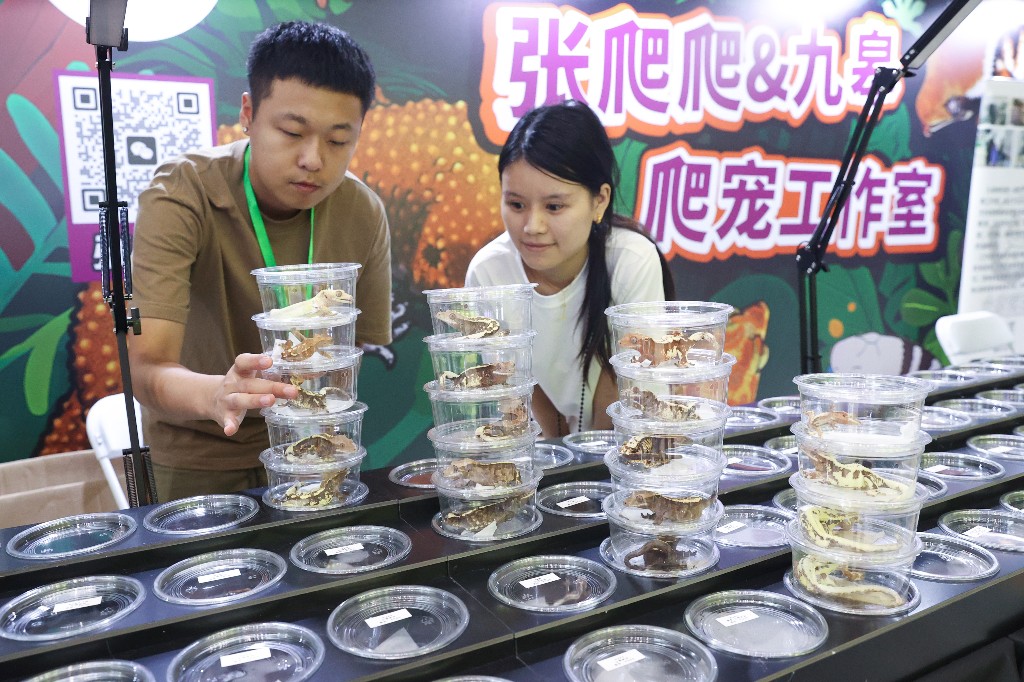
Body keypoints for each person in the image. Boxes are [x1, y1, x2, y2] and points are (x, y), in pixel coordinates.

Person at [129, 21, 392, 501]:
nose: (313, 159)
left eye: (338, 141)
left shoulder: (362, 211)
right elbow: (147, 370)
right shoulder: (183, 193)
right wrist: (218, 394)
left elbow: (353, 349)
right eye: (292, 132)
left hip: (316, 448)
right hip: (203, 454)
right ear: (248, 114)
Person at [464, 100, 673, 437]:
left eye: (554, 206)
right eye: (516, 204)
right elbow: (519, 396)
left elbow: (635, 401)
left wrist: (590, 461)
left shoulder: (630, 260)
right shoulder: (489, 274)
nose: (532, 226)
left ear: (599, 201)